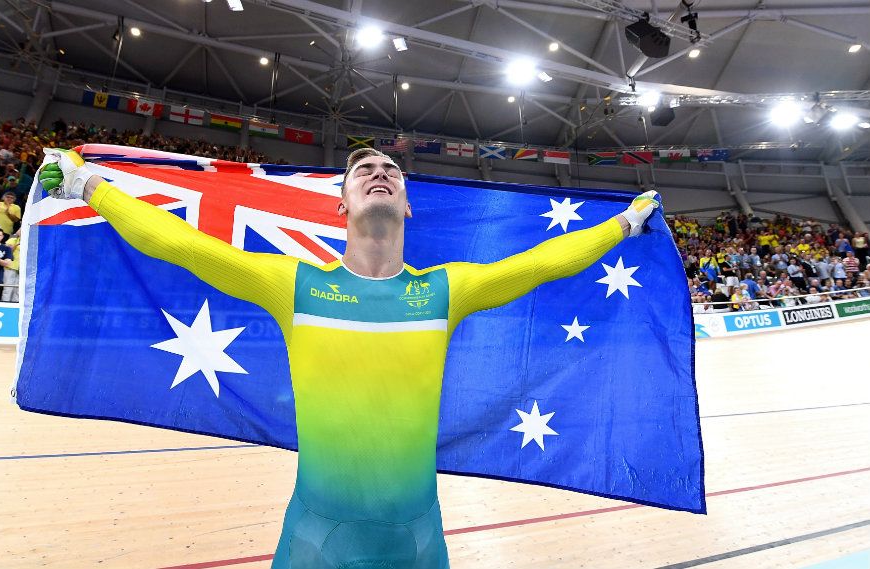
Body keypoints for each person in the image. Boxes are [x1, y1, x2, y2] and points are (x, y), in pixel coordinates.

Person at [38, 147, 661, 569]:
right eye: (362, 169)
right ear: (341, 204)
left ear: (409, 204)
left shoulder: (445, 290)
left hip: (419, 542)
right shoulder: (295, 285)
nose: (378, 171)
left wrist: (625, 225)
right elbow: (180, 245)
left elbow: (541, 264)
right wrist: (88, 185)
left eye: (391, 168)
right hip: (316, 541)